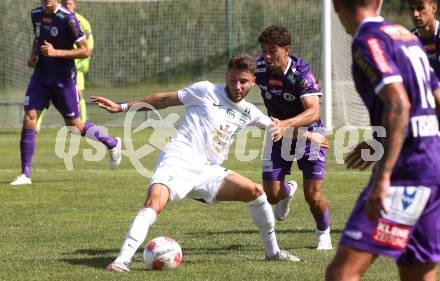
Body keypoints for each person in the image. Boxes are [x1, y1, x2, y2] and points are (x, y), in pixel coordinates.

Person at [91, 53, 303, 273]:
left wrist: (310, 136)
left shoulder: (250, 112)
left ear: (253, 82)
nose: (237, 86)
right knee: (154, 204)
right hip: (178, 159)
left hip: (208, 171)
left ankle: (273, 254)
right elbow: (163, 99)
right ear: (226, 76)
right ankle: (121, 260)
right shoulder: (206, 90)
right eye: (232, 80)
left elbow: (277, 129)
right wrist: (123, 107)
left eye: (243, 81)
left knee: (256, 192)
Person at [327, 0, 440, 280]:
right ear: (378, 2)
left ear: (336, 5)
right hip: (431, 162)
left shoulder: (368, 39)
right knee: (416, 271)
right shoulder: (407, 37)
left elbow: (399, 105)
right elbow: (436, 100)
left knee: (342, 274)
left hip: (405, 170)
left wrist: (383, 176)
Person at [10, 0, 121, 186]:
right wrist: (33, 55)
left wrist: (55, 53)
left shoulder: (68, 19)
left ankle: (111, 143)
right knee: (29, 118)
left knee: (75, 125)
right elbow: (38, 39)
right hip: (41, 78)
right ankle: (25, 174)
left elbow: (85, 51)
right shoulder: (35, 13)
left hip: (63, 81)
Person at [255, 25, 332, 250]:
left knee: (313, 196)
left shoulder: (301, 74)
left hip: (311, 136)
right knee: (271, 196)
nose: (266, 56)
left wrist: (286, 125)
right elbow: (238, 78)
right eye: (264, 50)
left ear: (286, 49)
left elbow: (313, 112)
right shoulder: (258, 68)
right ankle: (287, 191)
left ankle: (323, 232)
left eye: (272, 51)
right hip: (279, 135)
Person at [36, 0, 94, 130]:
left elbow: (88, 47)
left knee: (79, 95)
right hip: (49, 67)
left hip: (74, 66)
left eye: (70, 3)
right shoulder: (46, 16)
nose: (68, 6)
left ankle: (83, 121)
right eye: (66, 3)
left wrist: (81, 63)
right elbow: (39, 38)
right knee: (44, 97)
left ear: (75, 4)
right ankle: (36, 124)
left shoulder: (80, 21)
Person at [408, 0, 440, 78]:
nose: (415, 14)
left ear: (433, 8)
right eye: (411, 9)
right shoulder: (408, 41)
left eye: (420, 8)